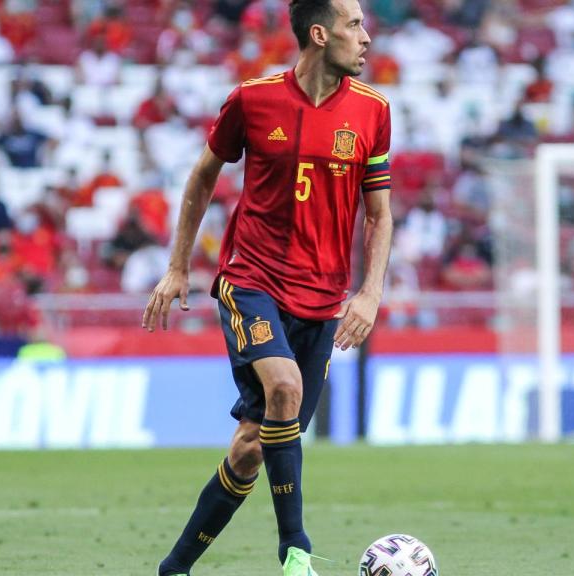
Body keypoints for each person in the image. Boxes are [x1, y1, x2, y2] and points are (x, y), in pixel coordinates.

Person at [140, 1, 393, 575]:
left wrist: (370, 292)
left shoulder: (374, 111)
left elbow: (379, 214)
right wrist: (178, 266)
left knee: (252, 446)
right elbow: (203, 175)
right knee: (284, 386)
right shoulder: (252, 100)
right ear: (319, 33)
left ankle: (174, 568)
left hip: (323, 298)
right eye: (355, 25)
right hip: (252, 280)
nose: (366, 38)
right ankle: (295, 549)